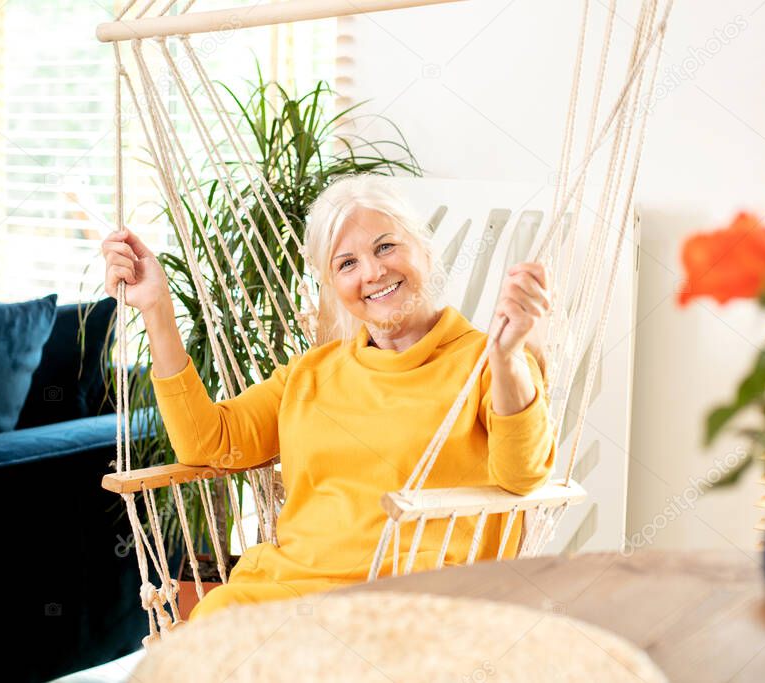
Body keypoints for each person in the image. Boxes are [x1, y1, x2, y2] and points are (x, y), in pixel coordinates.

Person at [101, 174, 557, 620]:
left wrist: (506, 357)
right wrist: (157, 309)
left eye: (385, 246)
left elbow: (523, 477)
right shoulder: (311, 374)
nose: (374, 273)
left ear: (425, 249)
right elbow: (208, 443)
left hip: (411, 607)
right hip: (285, 597)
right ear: (332, 285)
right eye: (347, 263)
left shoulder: (487, 362)